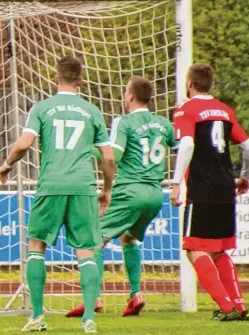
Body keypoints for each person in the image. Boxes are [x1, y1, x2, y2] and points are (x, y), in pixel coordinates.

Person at [0, 56, 115, 333]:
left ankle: (38, 317)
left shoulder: (42, 108)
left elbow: (24, 144)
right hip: (84, 187)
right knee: (86, 250)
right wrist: (106, 190)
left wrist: (6, 164)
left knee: (37, 247)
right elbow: (108, 159)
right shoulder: (92, 111)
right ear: (81, 80)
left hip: (50, 185)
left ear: (55, 78)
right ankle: (89, 319)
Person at [66, 76, 179, 318]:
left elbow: (114, 156)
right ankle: (136, 294)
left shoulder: (124, 121)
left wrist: (85, 146)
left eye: (125, 91)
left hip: (131, 190)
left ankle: (92, 298)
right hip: (155, 194)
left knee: (94, 239)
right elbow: (183, 145)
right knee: (128, 239)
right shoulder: (163, 123)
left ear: (129, 96)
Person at [170, 64, 249, 321]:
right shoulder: (225, 111)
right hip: (226, 184)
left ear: (189, 83)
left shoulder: (186, 109)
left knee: (194, 250)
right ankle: (239, 306)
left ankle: (226, 306)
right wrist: (245, 177)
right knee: (219, 250)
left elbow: (186, 143)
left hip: (202, 186)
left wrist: (176, 183)